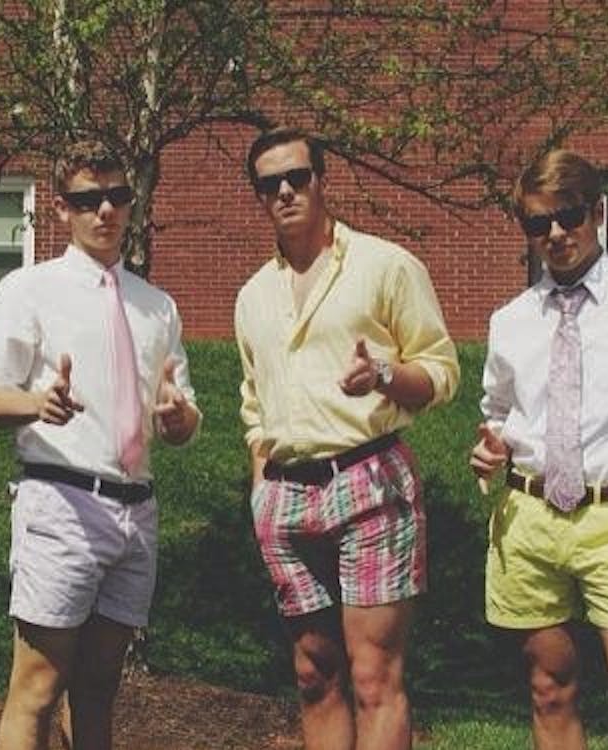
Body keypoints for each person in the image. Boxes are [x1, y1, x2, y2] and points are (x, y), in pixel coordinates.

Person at [0, 139, 200, 750]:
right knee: (38, 688)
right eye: (88, 198)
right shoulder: (29, 289)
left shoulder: (157, 306)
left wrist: (180, 419)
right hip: (62, 502)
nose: (105, 211)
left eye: (117, 196)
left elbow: (182, 409)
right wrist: (37, 403)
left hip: (137, 510)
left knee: (99, 688)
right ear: (61, 208)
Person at [235, 127, 459, 749]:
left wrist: (384, 375)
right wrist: (260, 488)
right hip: (284, 496)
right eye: (268, 183)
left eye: (297, 177)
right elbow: (255, 402)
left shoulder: (385, 266)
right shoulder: (254, 295)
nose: (284, 191)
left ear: (321, 179)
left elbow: (442, 373)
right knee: (313, 674)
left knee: (373, 676)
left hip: (369, 480)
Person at [470, 149, 608, 749]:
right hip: (528, 519)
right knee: (549, 690)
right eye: (539, 223)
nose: (556, 234)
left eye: (569, 217)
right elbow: (498, 416)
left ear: (597, 212)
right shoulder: (510, 321)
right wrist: (488, 449)